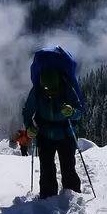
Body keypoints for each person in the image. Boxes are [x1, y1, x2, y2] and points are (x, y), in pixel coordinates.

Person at [22, 46, 85, 198]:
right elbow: (27, 111)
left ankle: (68, 195)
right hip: (54, 133)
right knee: (47, 168)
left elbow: (79, 112)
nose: (49, 94)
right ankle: (56, 195)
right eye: (47, 91)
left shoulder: (66, 88)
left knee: (67, 166)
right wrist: (29, 127)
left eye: (52, 91)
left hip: (61, 133)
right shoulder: (37, 90)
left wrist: (73, 112)